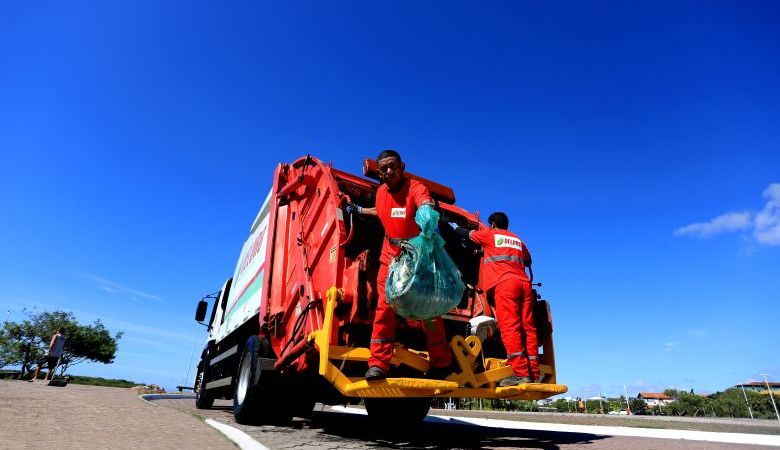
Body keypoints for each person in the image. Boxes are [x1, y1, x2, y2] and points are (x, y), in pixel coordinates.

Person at [346, 149, 453, 380]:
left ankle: (442, 363)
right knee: (384, 309)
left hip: (416, 259)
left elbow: (423, 202)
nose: (388, 171)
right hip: (390, 257)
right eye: (383, 168)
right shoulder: (381, 192)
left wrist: (426, 211)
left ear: (402, 167)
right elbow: (382, 211)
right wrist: (360, 210)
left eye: (393, 166)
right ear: (379, 173)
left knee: (429, 312)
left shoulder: (415, 188)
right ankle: (378, 364)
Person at [448, 212, 540, 386]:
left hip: (505, 285)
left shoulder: (490, 235)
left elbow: (466, 234)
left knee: (510, 327)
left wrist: (453, 226)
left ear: (491, 224)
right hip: (524, 284)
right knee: (528, 328)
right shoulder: (517, 239)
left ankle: (520, 374)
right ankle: (533, 372)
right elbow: (528, 260)